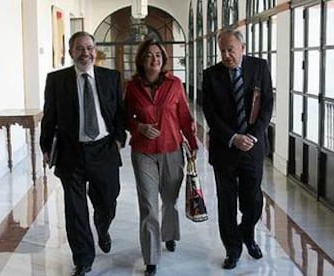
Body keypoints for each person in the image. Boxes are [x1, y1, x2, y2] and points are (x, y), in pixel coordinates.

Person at [40, 31, 126, 276]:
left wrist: (119, 140)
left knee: (108, 199)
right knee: (75, 210)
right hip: (71, 153)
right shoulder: (57, 80)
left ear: (95, 50)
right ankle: (83, 258)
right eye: (80, 48)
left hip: (104, 149)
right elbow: (50, 115)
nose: (85, 53)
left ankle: (103, 225)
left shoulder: (111, 77)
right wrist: (46, 147)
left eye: (89, 48)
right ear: (71, 53)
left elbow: (120, 112)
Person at [124, 38, 198, 276]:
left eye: (158, 55)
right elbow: (125, 117)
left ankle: (169, 236)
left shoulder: (175, 84)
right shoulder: (133, 87)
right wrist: (139, 128)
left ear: (163, 60)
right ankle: (151, 258)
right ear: (141, 61)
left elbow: (185, 116)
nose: (154, 59)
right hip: (143, 153)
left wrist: (193, 143)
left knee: (169, 200)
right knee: (148, 206)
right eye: (148, 55)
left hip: (172, 150)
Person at [202, 29, 273, 270]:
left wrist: (252, 136)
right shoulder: (211, 75)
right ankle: (232, 249)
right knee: (227, 202)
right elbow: (210, 113)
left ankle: (247, 232)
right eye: (222, 50)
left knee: (253, 200)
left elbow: (267, 105)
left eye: (230, 50)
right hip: (225, 149)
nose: (226, 55)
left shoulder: (259, 68)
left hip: (252, 148)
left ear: (242, 47)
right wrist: (233, 137)